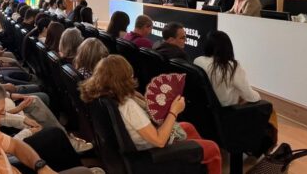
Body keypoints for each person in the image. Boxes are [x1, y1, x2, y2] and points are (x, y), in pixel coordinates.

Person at [79, 55, 221, 174]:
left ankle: (195, 162)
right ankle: (193, 159)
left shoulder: (104, 97)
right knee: (212, 149)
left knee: (188, 127)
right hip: (149, 155)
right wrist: (174, 111)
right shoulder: (128, 106)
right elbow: (159, 141)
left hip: (134, 148)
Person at [0, 75, 96, 174]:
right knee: (83, 172)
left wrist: (40, 166)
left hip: (9, 167)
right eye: (0, 112)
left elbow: (14, 145)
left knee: (54, 135)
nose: (3, 117)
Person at [0, 58, 93, 153]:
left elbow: (2, 119)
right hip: (14, 148)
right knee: (53, 134)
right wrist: (27, 129)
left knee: (35, 102)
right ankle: (65, 143)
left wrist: (22, 119)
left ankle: (66, 140)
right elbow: (4, 151)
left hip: (13, 130)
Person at [194, 31, 260, 107]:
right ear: (227, 47)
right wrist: (258, 96)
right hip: (226, 110)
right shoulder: (232, 66)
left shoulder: (198, 61)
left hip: (204, 108)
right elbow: (251, 97)